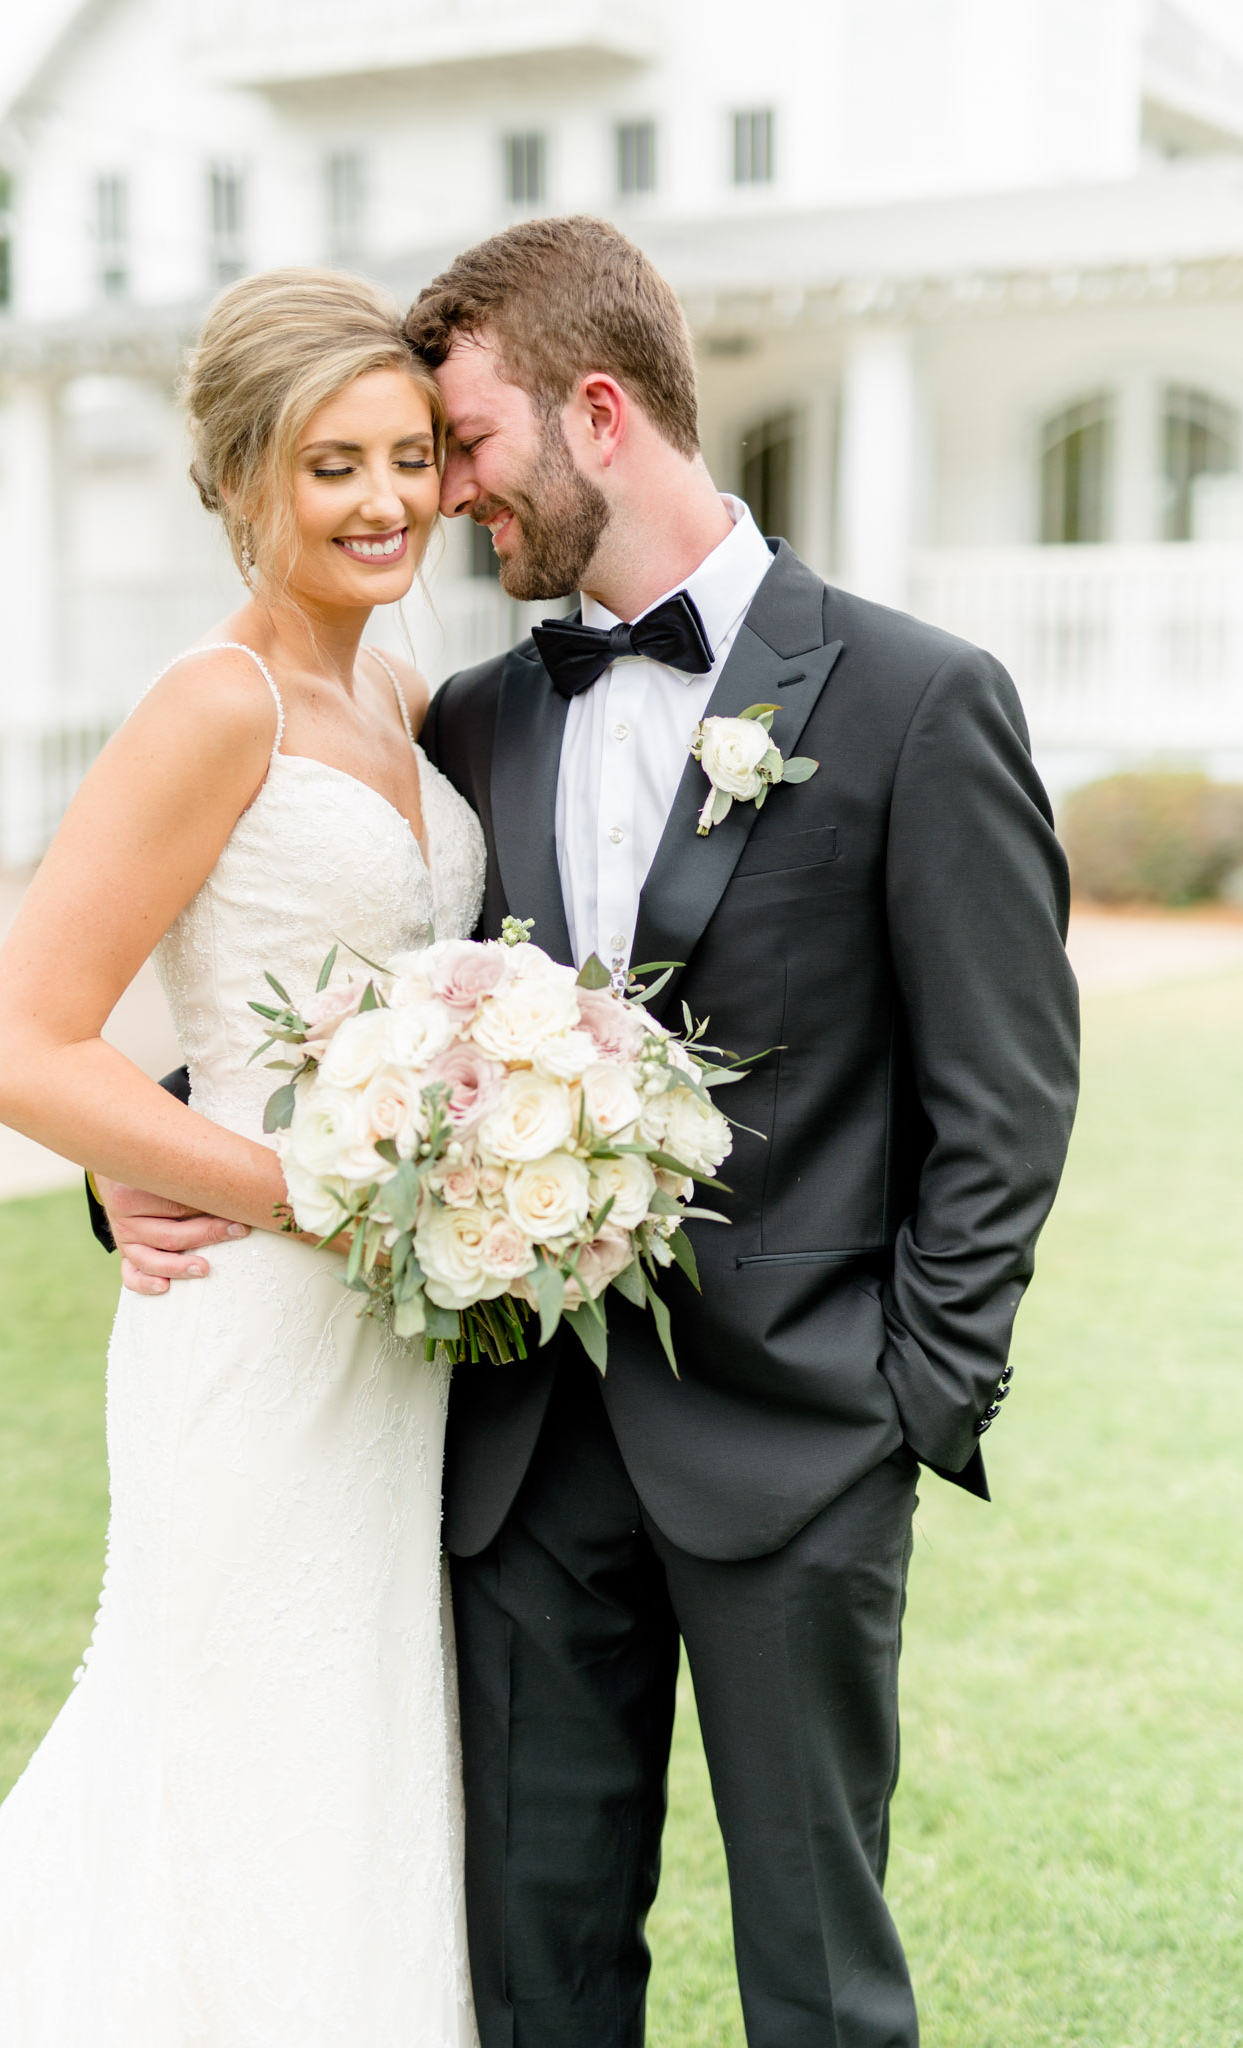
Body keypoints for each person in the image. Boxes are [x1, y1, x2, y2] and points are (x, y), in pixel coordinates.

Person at [98, 218, 1081, 2048]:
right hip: (519, 1457)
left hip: (799, 1451)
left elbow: (1005, 1098)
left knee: (820, 1979)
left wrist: (905, 1401)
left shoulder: (920, 700)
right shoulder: (474, 719)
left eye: (460, 445)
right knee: (532, 1970)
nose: (441, 495)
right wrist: (131, 1151)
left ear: (600, 414)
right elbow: (355, 1002)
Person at [0, 271, 484, 2047]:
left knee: (355, 1768)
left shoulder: (399, 686)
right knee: (225, 1764)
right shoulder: (214, 706)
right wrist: (320, 1197)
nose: (387, 501)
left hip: (395, 1343)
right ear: (242, 483)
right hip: (257, 1321)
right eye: (332, 467)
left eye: (413, 458)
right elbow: (15, 1047)